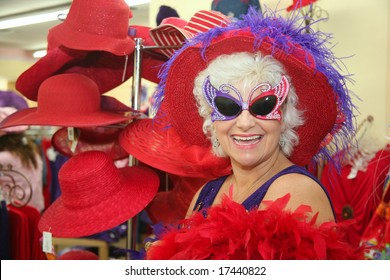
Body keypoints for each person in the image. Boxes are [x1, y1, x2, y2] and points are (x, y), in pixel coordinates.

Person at [139, 7, 363, 260]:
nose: (245, 123)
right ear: (210, 120)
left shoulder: (296, 192)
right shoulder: (206, 194)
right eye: (227, 107)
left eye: (263, 105)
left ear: (286, 116)